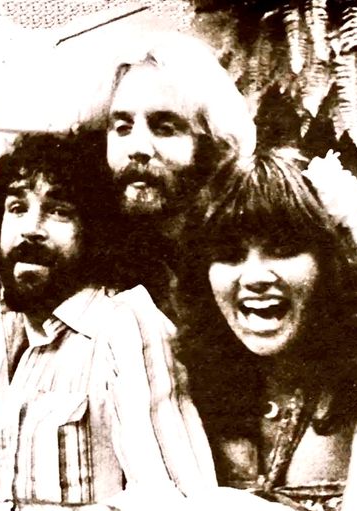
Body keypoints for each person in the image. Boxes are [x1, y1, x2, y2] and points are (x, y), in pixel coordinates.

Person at [0, 130, 226, 511]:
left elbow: (175, 504)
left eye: (59, 211)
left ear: (95, 228)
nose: (31, 228)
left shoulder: (124, 327)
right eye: (17, 207)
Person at [175, 148, 357, 511]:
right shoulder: (185, 383)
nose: (255, 277)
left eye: (282, 249)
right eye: (230, 255)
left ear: (330, 264)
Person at [96, 31, 256, 315]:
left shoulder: (245, 260)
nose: (138, 147)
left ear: (212, 143)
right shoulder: (96, 261)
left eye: (165, 129)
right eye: (122, 128)